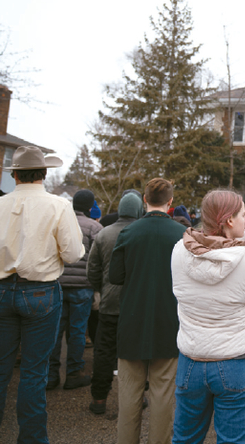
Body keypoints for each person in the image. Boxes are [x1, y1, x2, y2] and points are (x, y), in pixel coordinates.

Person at [170, 190, 245, 444]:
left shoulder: (179, 251)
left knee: (185, 439)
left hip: (191, 361)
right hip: (236, 362)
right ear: (229, 220)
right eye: (243, 215)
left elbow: (223, 255)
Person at [0, 146, 84, 444]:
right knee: (34, 373)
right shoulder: (57, 206)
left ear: (16, 174)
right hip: (41, 291)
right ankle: (32, 440)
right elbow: (74, 253)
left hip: (2, 288)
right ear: (43, 174)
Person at [109, 177, 187, 444]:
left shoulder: (128, 233)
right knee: (163, 395)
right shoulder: (182, 235)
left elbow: (116, 276)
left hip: (132, 320)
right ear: (170, 202)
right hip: (169, 320)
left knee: (129, 396)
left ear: (145, 199)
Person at [87, 191, 144, 415]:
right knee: (136, 354)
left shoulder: (103, 234)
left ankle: (99, 399)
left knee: (103, 352)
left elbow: (92, 270)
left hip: (109, 303)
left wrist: (102, 289)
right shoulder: (142, 233)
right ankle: (137, 398)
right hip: (137, 305)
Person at [46, 188, 102, 391]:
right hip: (83, 288)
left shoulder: (59, 223)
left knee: (55, 331)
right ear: (90, 207)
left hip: (57, 285)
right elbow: (98, 259)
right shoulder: (94, 227)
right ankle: (73, 373)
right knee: (77, 331)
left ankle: (51, 375)